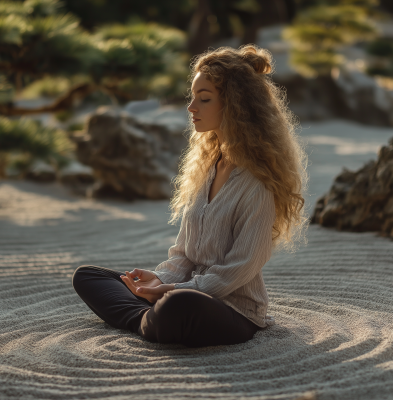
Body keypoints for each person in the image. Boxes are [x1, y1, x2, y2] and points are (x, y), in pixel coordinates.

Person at [72, 44, 308, 348]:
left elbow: (237, 270)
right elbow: (184, 254)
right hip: (182, 291)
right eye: (192, 96)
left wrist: (170, 290)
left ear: (235, 106)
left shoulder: (256, 183)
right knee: (89, 277)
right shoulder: (208, 167)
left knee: (178, 306)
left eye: (204, 98)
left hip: (231, 309)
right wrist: (158, 280)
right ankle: (148, 320)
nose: (191, 107)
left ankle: (147, 319)